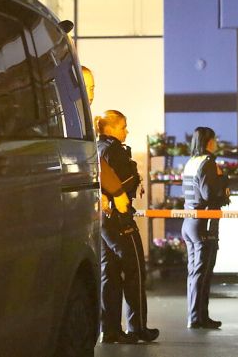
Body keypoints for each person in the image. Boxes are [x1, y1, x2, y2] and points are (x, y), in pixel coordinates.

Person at [97, 110, 159, 344]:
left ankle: (110, 329)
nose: (126, 131)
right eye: (123, 127)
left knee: (109, 274)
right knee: (134, 271)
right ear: (111, 129)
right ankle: (138, 327)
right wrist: (136, 179)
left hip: (103, 220)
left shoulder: (96, 148)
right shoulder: (114, 151)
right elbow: (125, 182)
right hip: (120, 218)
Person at [181, 126, 231, 329]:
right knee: (203, 272)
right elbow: (209, 194)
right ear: (209, 142)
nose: (217, 143)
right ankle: (197, 317)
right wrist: (223, 180)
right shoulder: (208, 163)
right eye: (215, 140)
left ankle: (199, 315)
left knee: (195, 272)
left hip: (190, 221)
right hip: (205, 223)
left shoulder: (191, 162)